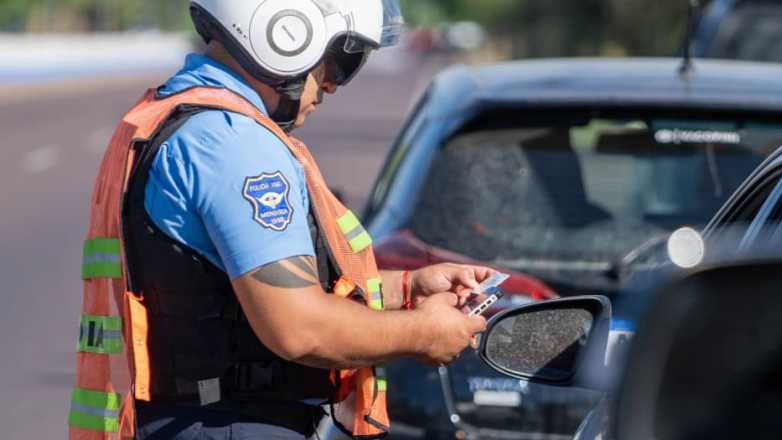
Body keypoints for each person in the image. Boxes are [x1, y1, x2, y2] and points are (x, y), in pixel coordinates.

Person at [70, 1, 489, 439]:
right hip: (231, 424)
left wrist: (406, 288)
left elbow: (237, 286)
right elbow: (299, 327)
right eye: (343, 58)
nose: (333, 83)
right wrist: (421, 333)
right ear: (284, 33)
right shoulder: (234, 145)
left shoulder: (173, 116)